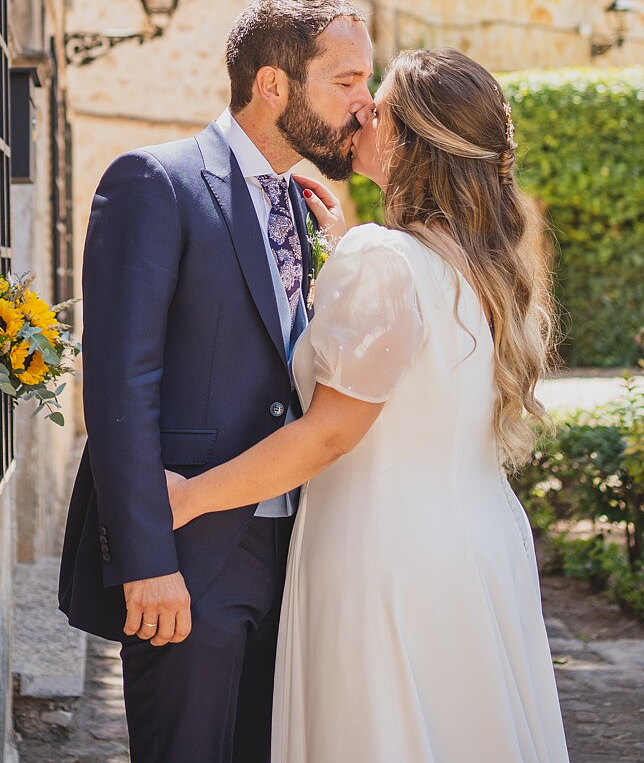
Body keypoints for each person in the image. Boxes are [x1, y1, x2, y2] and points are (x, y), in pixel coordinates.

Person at [166, 48, 570, 762]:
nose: (360, 112)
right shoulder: (483, 263)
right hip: (476, 546)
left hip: (385, 555)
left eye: (377, 106)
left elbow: (330, 435)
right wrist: (344, 250)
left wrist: (190, 498)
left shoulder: (385, 260)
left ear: (411, 141)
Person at [57, 0, 375, 763]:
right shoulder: (154, 182)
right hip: (190, 556)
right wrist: (147, 559)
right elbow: (120, 388)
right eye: (346, 82)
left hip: (297, 552)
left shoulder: (303, 208)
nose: (364, 105)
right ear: (273, 85)